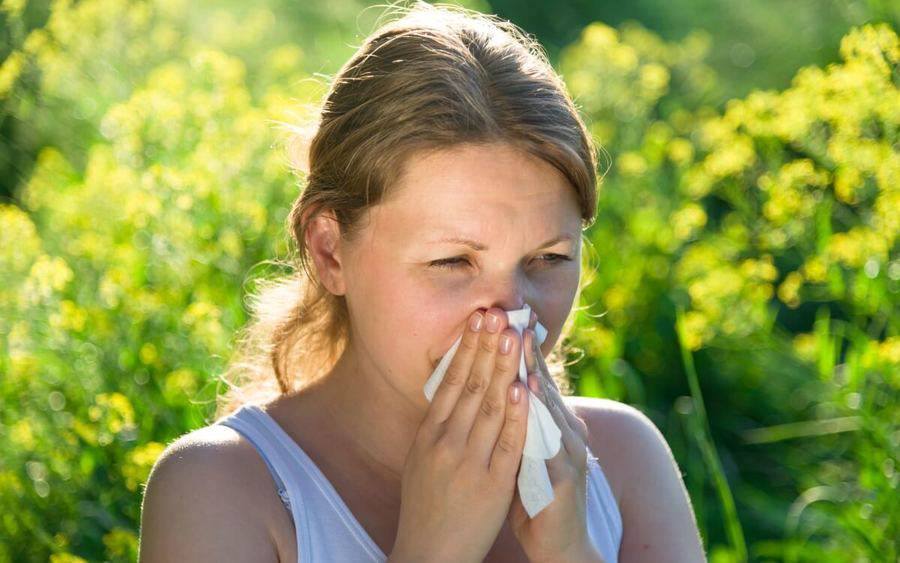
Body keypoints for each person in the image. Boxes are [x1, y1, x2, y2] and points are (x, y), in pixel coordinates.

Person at [138, 2, 705, 561]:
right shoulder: (224, 490)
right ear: (330, 251)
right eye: (453, 262)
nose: (510, 314)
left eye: (549, 259)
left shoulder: (624, 459)